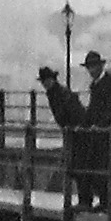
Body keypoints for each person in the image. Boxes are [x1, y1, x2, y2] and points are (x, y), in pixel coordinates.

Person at [39, 65, 101, 208]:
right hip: (74, 133)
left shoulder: (60, 93)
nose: (45, 84)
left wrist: (72, 127)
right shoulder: (57, 92)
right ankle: (85, 199)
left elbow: (73, 113)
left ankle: (85, 200)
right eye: (43, 81)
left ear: (52, 80)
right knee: (78, 167)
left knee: (79, 167)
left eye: (46, 80)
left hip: (78, 134)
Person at [78, 49, 111, 213]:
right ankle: (105, 201)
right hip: (102, 135)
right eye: (89, 67)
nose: (91, 70)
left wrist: (100, 124)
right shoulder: (96, 85)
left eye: (93, 67)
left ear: (100, 67)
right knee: (101, 169)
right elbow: (93, 109)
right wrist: (85, 125)